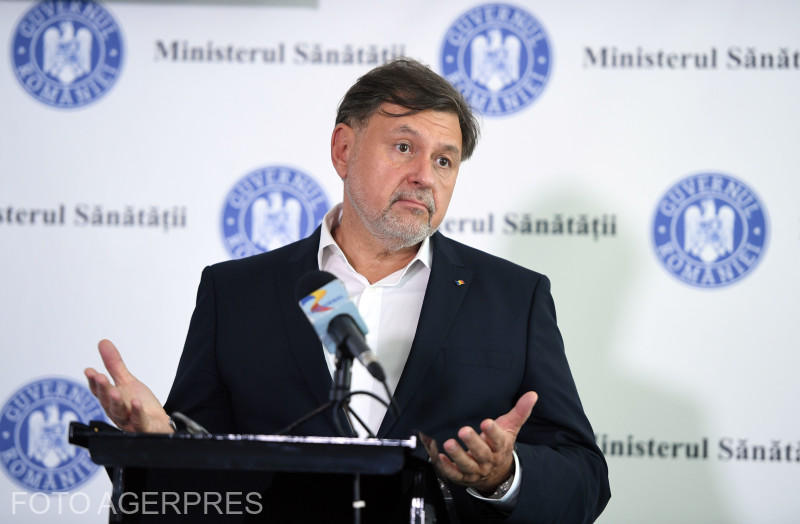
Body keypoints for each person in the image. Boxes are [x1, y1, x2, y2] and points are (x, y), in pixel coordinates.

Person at [85, 58, 610, 523]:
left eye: (444, 161)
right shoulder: (237, 292)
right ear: (343, 149)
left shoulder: (514, 298)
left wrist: (503, 476)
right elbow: (192, 487)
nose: (424, 176)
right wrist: (158, 442)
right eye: (403, 147)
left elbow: (585, 477)